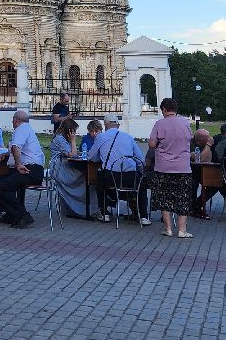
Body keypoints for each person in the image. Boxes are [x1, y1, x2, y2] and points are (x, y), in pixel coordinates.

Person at [88, 116, 149, 225]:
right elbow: (140, 159)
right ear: (118, 125)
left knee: (100, 181)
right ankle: (143, 216)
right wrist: (140, 171)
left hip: (111, 178)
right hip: (130, 177)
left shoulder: (101, 137)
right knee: (141, 184)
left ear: (105, 125)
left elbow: (91, 157)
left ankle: (104, 213)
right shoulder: (129, 137)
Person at [148, 99, 194, 238]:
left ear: (164, 109)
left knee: (164, 197)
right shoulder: (185, 122)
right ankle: (182, 230)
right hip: (183, 167)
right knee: (183, 197)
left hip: (163, 166)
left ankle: (168, 229)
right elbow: (190, 139)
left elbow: (151, 144)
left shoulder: (159, 124)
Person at [0, 108, 45, 228]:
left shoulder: (21, 129)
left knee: (3, 186)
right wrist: (5, 154)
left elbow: (16, 147)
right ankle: (10, 214)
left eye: (12, 121)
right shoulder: (27, 129)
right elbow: (13, 149)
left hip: (31, 170)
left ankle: (22, 215)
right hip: (34, 170)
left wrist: (18, 164)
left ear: (15, 120)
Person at [48, 117, 89, 218]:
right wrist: (73, 140)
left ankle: (83, 207)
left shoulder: (63, 138)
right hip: (59, 168)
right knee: (85, 178)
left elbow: (73, 152)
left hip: (64, 165)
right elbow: (72, 155)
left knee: (87, 175)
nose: (75, 133)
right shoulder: (59, 138)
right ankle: (82, 209)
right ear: (69, 131)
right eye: (74, 131)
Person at [191, 128, 216, 218]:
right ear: (200, 140)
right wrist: (208, 146)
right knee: (193, 184)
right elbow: (200, 159)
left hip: (206, 171)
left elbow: (208, 159)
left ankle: (197, 204)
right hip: (192, 171)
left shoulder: (209, 144)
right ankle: (193, 207)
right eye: (207, 138)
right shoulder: (190, 144)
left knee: (215, 185)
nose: (210, 139)